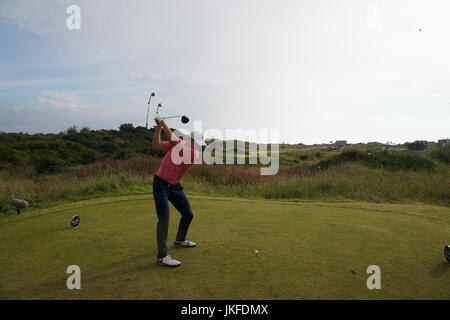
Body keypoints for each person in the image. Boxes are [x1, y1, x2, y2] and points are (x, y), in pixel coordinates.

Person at [152, 117, 205, 267]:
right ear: (191, 139)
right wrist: (158, 129)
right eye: (198, 143)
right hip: (160, 184)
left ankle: (180, 239)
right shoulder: (180, 144)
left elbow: (173, 140)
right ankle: (162, 256)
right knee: (164, 218)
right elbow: (156, 145)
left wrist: (163, 123)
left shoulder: (193, 153)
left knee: (188, 214)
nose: (199, 147)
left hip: (174, 187)